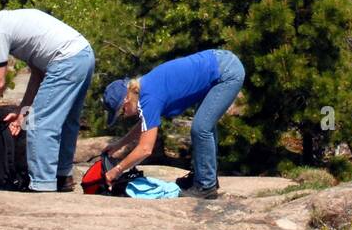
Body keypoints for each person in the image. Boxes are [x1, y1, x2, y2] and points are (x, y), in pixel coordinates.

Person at [0, 0, 95, 193]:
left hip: (65, 60)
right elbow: (37, 75)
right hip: (84, 54)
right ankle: (62, 176)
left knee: (39, 123)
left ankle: (42, 185)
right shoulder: (15, 19)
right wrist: (22, 111)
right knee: (68, 121)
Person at [102, 49, 245, 200]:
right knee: (203, 126)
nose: (125, 117)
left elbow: (145, 149)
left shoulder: (149, 98)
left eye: (122, 113)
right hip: (218, 63)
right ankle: (204, 176)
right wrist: (119, 144)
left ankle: (206, 186)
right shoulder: (141, 89)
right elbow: (145, 126)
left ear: (126, 101)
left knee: (201, 128)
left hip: (226, 72)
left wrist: (117, 170)